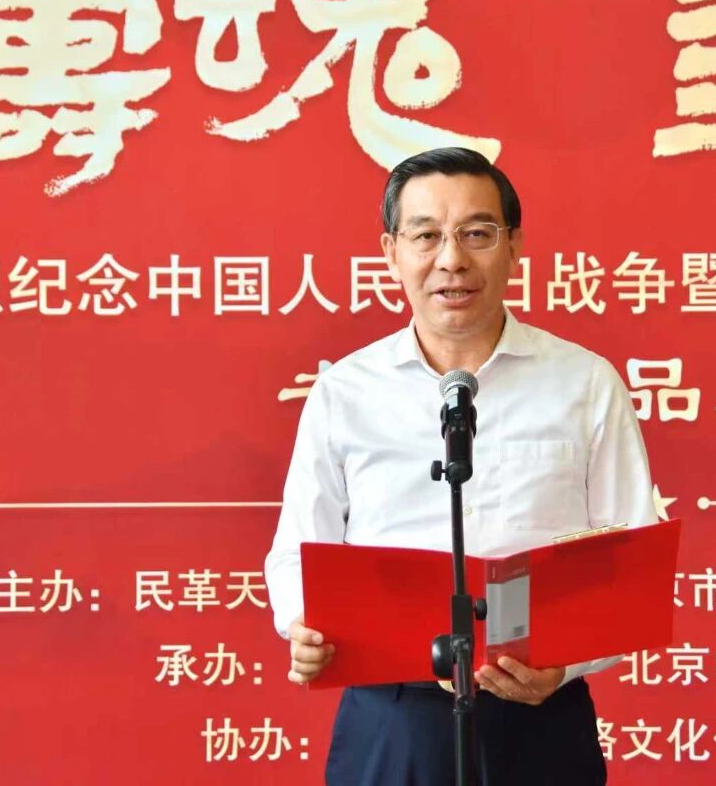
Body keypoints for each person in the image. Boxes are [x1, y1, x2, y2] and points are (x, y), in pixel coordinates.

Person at [264, 147, 657, 785]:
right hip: (392, 716)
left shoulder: (583, 383)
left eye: (477, 233)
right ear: (391, 251)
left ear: (514, 245)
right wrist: (301, 624)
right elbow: (295, 551)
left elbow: (630, 561)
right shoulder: (345, 393)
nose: (452, 259)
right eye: (426, 236)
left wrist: (567, 666)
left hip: (540, 714)